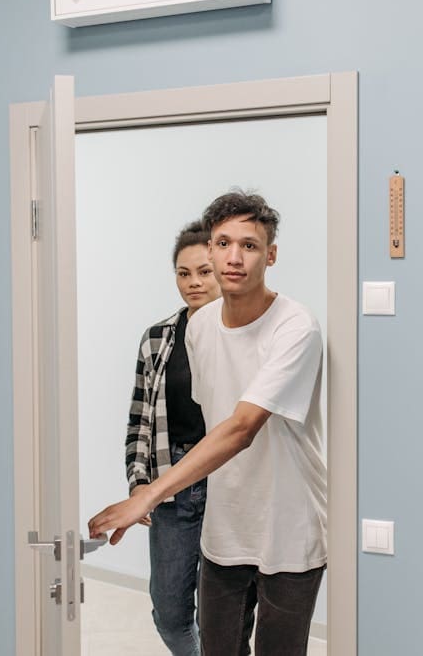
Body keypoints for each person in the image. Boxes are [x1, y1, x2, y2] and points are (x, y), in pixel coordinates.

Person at [91, 190, 327, 656]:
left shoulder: (296, 327)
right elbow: (208, 418)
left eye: (249, 245)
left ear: (271, 254)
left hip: (289, 526)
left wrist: (148, 496)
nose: (233, 257)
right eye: (223, 243)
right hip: (226, 527)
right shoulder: (198, 329)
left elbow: (240, 428)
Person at [125, 220, 221, 655]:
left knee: (225, 612)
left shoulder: (244, 333)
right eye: (184, 273)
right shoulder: (158, 338)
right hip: (172, 482)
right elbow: (140, 418)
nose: (194, 283)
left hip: (228, 483)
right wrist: (138, 484)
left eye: (204, 271)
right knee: (169, 612)